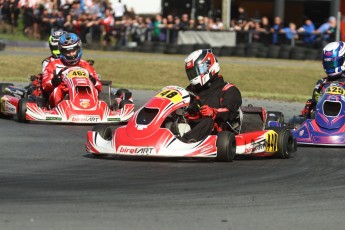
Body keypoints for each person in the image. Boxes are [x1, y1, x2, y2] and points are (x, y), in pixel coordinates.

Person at [180, 49, 242, 142]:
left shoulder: (228, 90)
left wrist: (213, 112)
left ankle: (184, 142)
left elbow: (230, 112)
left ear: (208, 67)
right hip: (193, 128)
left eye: (195, 72)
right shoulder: (190, 90)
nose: (193, 76)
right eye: (191, 73)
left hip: (218, 135)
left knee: (208, 120)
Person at [42, 32, 102, 108]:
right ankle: (59, 109)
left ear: (78, 49)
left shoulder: (85, 65)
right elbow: (45, 86)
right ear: (62, 51)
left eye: (73, 51)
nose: (71, 54)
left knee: (94, 90)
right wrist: (53, 82)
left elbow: (99, 87)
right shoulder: (53, 64)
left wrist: (93, 81)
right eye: (68, 52)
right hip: (64, 94)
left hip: (83, 91)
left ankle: (93, 108)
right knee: (56, 90)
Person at [301, 41, 345, 118]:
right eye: (328, 64)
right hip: (323, 119)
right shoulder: (321, 83)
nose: (331, 67)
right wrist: (311, 106)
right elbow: (315, 102)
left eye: (333, 63)